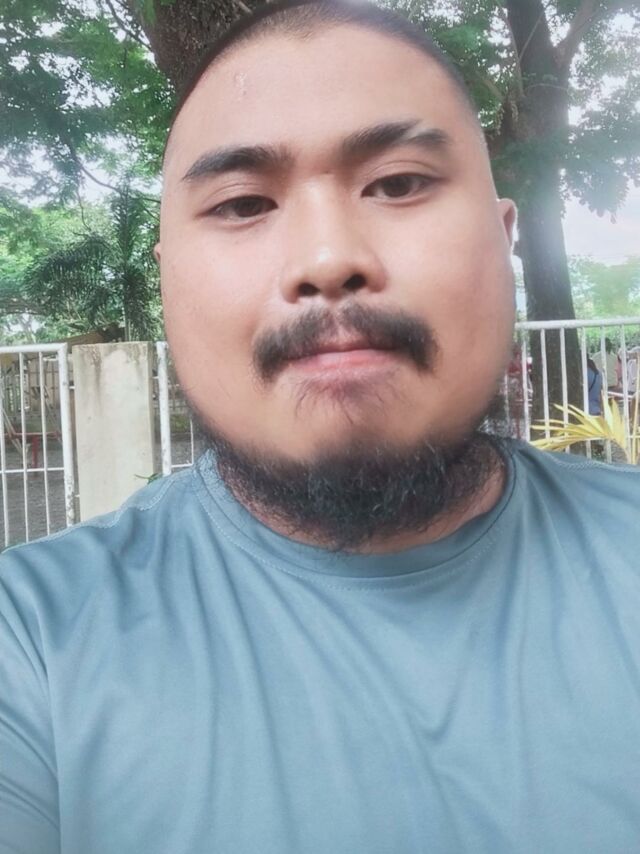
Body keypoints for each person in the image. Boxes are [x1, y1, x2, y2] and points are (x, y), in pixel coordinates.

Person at [2, 2, 640, 852]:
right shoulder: (30, 644)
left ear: (504, 239)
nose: (328, 259)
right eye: (242, 203)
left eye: (399, 183)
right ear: (169, 282)